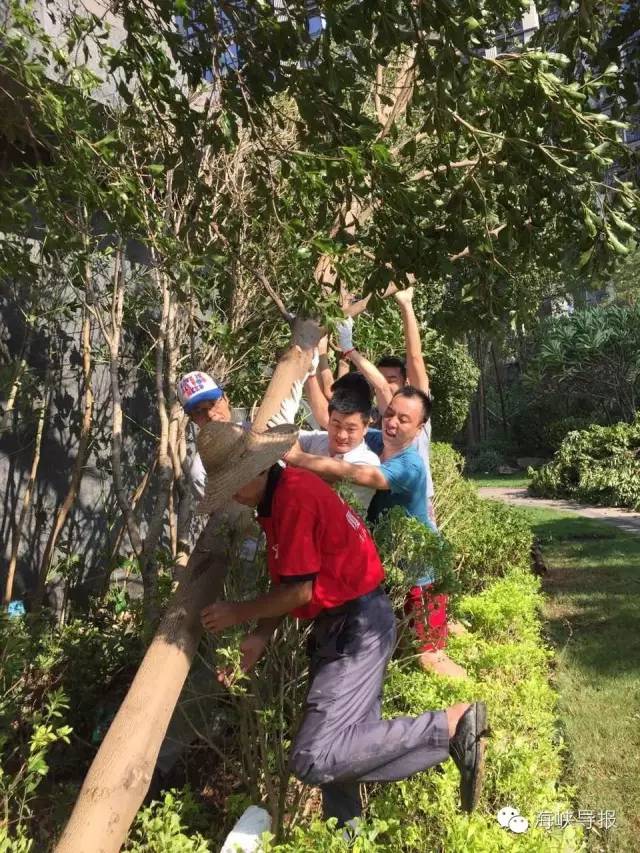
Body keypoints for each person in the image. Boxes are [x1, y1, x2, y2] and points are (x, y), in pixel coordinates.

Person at [196, 419, 489, 829]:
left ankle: (451, 724)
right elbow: (292, 581)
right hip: (350, 623)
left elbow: (300, 593)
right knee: (347, 750)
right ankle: (347, 835)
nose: (234, 497)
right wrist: (260, 634)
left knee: (314, 757)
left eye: (235, 484)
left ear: (260, 469)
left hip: (357, 627)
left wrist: (239, 611)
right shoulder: (278, 498)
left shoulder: (293, 498)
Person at [285, 386, 467, 679]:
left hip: (419, 570)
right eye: (390, 414)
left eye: (404, 419)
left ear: (419, 429)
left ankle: (467, 708)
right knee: (391, 648)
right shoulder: (372, 439)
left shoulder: (410, 465)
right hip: (386, 567)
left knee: (429, 657)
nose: (392, 422)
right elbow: (330, 420)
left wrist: (299, 459)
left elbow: (364, 475)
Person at [298, 372, 380, 510]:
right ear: (328, 421)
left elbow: (327, 500)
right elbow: (288, 436)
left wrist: (295, 458)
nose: (341, 435)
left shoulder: (368, 462)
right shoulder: (319, 439)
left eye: (351, 429)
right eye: (336, 425)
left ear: (365, 427)